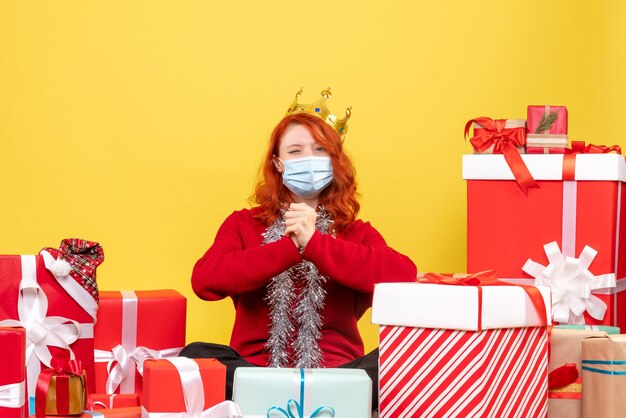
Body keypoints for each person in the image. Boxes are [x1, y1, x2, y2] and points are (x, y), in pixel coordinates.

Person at [180, 88, 417, 408]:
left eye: (320, 149)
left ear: (335, 162)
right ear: (278, 162)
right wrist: (290, 247)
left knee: (402, 359)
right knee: (193, 358)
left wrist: (317, 244)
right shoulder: (242, 224)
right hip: (256, 370)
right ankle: (296, 395)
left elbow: (404, 275)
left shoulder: (356, 232)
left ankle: (298, 396)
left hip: (339, 373)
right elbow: (205, 281)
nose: (309, 159)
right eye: (296, 150)